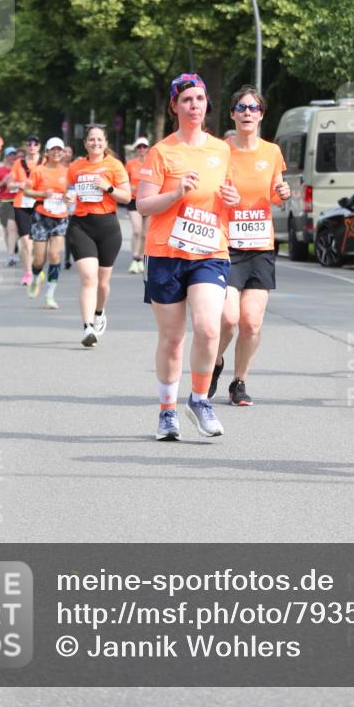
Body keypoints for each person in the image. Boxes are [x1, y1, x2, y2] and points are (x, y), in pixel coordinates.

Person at [136, 72, 240, 441]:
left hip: (210, 250)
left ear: (206, 103)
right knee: (173, 338)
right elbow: (144, 204)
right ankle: (167, 411)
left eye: (199, 99)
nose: (194, 106)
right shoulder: (162, 152)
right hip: (166, 252)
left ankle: (199, 399)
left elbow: (229, 193)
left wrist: (233, 200)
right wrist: (177, 192)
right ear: (175, 106)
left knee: (211, 327)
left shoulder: (221, 149)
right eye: (186, 100)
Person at [209, 85, 290, 406]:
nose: (247, 113)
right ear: (232, 114)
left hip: (260, 245)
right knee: (228, 319)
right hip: (226, 244)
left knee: (251, 322)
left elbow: (276, 192)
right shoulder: (220, 152)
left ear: (261, 115)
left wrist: (282, 195)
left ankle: (239, 382)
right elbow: (208, 192)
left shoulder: (271, 152)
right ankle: (214, 362)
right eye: (241, 108)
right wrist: (222, 197)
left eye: (253, 108)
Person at [66, 125, 131, 345]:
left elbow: (126, 197)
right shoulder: (76, 166)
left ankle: (99, 312)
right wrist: (68, 198)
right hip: (81, 226)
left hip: (108, 228)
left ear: (105, 143)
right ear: (84, 143)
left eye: (99, 140)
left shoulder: (114, 165)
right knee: (88, 278)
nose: (95, 143)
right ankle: (87, 328)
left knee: (103, 282)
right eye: (91, 140)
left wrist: (108, 188)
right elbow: (69, 189)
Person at [23, 137, 70, 308]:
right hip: (41, 216)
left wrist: (69, 197)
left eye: (60, 149)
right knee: (39, 259)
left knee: (55, 256)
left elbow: (73, 192)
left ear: (63, 152)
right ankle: (36, 278)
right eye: (53, 149)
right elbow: (27, 191)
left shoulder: (68, 171)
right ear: (47, 152)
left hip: (61, 216)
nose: (56, 152)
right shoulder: (38, 171)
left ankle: (50, 296)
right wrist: (43, 194)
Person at [8, 136, 42, 286]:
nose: (32, 146)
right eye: (29, 144)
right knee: (26, 243)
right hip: (21, 204)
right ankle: (28, 273)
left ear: (40, 146)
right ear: (26, 146)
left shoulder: (45, 162)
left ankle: (34, 264)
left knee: (37, 243)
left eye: (35, 144)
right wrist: (20, 184)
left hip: (40, 203)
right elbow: (9, 185)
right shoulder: (18, 163)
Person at [125, 136, 150, 273]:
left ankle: (140, 258)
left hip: (148, 199)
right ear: (136, 149)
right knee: (136, 230)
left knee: (146, 234)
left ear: (148, 149)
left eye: (144, 147)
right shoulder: (130, 164)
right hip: (134, 200)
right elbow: (123, 180)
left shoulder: (151, 163)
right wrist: (130, 187)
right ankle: (135, 257)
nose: (141, 149)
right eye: (139, 147)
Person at [0, 147, 18, 266]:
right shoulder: (0, 170)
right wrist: (3, 182)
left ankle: (10, 256)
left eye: (14, 155)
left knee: (12, 228)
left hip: (16, 201)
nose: (12, 157)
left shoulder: (19, 169)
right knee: (7, 230)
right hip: (3, 202)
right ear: (6, 157)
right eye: (10, 155)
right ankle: (11, 251)